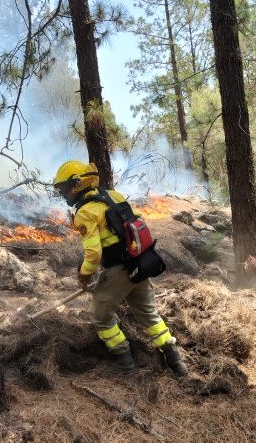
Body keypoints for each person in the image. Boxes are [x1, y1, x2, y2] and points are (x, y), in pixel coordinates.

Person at [52, 160, 188, 376]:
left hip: (118, 269)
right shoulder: (113, 196)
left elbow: (94, 253)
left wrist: (84, 276)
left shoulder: (85, 212)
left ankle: (124, 361)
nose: (63, 194)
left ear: (76, 185)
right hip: (140, 264)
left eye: (63, 189)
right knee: (149, 314)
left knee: (99, 317)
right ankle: (176, 362)